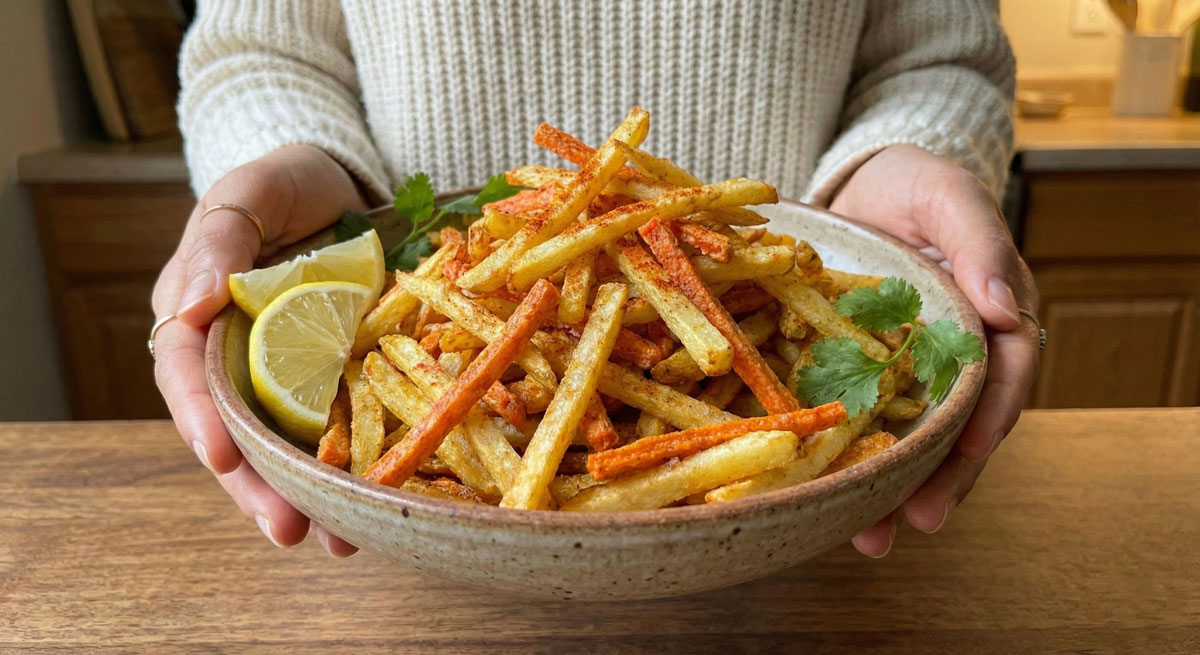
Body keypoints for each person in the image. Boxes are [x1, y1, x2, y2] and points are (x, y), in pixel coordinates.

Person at [151, 0, 1040, 559]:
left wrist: (901, 156)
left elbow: (936, 53)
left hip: (801, 546)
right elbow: (260, 49)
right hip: (428, 339)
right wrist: (284, 161)